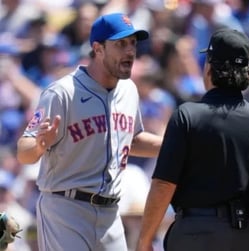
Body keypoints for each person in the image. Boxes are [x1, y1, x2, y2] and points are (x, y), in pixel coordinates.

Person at [15, 13, 163, 251]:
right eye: (120, 44)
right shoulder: (62, 93)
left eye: (133, 43)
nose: (130, 52)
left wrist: (172, 144)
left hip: (111, 212)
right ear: (98, 48)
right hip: (66, 209)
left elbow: (130, 139)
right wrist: (40, 146)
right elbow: (24, 151)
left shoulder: (129, 91)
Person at [136, 28, 249, 251]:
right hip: (243, 233)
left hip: (194, 233)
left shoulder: (187, 115)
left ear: (209, 67)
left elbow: (163, 184)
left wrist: (145, 240)